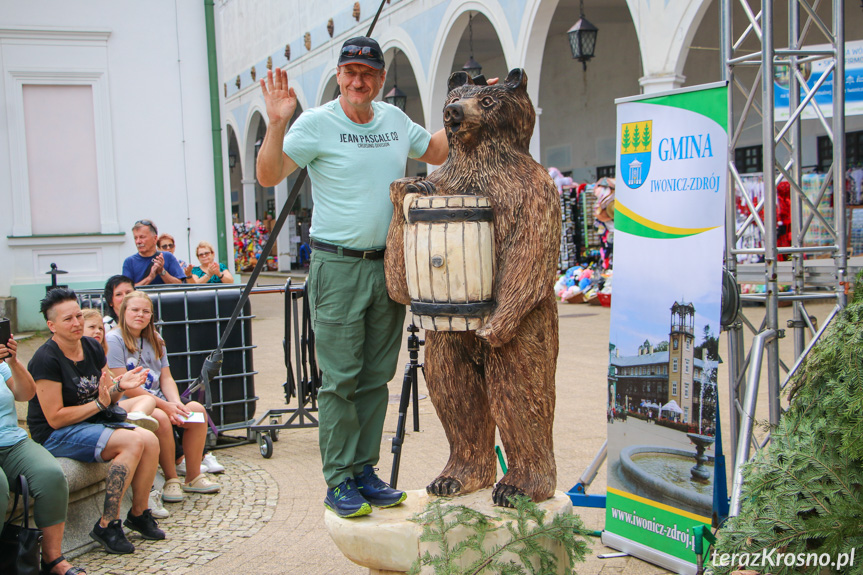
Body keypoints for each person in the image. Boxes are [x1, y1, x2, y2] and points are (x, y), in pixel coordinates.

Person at [256, 36, 448, 518]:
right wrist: (277, 123)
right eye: (350, 72)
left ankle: (365, 470)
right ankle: (338, 479)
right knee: (339, 380)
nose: (358, 81)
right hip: (337, 266)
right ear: (339, 76)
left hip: (388, 266)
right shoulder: (317, 123)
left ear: (381, 79)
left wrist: (469, 106)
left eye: (368, 73)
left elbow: (440, 150)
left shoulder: (395, 120)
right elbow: (268, 174)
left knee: (375, 378)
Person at [27, 288, 164, 555]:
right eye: (68, 319)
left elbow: (106, 390)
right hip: (55, 435)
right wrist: (100, 403)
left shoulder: (90, 345)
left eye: (78, 315)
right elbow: (54, 419)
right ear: (51, 325)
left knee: (149, 438)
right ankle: (107, 524)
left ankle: (138, 513)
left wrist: (121, 385)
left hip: (90, 422)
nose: (77, 323)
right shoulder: (46, 359)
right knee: (133, 441)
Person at [105, 291, 220, 506]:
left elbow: (166, 377)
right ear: (123, 312)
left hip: (160, 397)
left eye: (145, 311)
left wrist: (175, 403)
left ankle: (193, 475)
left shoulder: (156, 338)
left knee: (196, 411)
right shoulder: (113, 340)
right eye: (135, 310)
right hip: (133, 401)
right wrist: (166, 407)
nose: (140, 315)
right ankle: (171, 479)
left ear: (151, 315)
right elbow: (124, 385)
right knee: (162, 418)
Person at [1, 335, 87, 575]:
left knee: (51, 476)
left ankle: (52, 559)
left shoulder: (0, 364)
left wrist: (14, 362)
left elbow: (26, 393)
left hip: (11, 441)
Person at [122, 220, 186, 286]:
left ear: (155, 239)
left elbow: (180, 285)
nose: (138, 241)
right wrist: (149, 278)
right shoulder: (129, 262)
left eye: (142, 237)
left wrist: (162, 272)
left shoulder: (168, 257)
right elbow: (127, 290)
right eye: (135, 238)